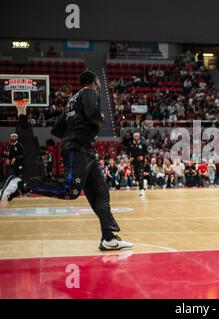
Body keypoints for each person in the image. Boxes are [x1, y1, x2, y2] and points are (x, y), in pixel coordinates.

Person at [0, 70, 133, 251]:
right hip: (78, 148)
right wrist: (98, 121)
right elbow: (93, 114)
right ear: (94, 81)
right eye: (98, 82)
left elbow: (57, 130)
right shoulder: (89, 92)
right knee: (70, 191)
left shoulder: (72, 101)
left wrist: (74, 135)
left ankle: (108, 238)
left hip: (84, 149)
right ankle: (22, 186)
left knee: (101, 193)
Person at [128, 132, 147, 197]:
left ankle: (141, 190)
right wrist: (129, 158)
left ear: (139, 137)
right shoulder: (130, 144)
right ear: (133, 137)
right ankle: (143, 183)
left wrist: (143, 157)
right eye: (135, 136)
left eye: (138, 136)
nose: (136, 137)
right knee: (136, 176)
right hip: (134, 162)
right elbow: (128, 152)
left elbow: (146, 152)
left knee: (140, 174)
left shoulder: (143, 144)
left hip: (141, 162)